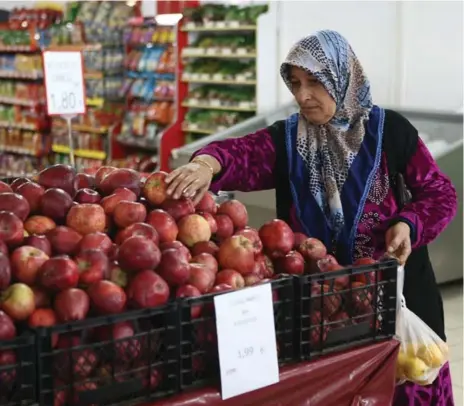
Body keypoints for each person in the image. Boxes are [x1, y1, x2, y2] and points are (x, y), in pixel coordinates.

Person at [166, 30, 457, 405]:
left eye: (315, 82)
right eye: (296, 83)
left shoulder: (391, 132)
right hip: (321, 310)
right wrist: (209, 162)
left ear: (342, 76)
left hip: (397, 301)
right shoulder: (289, 140)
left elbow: (439, 193)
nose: (303, 95)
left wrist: (409, 223)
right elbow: (244, 153)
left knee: (404, 391)